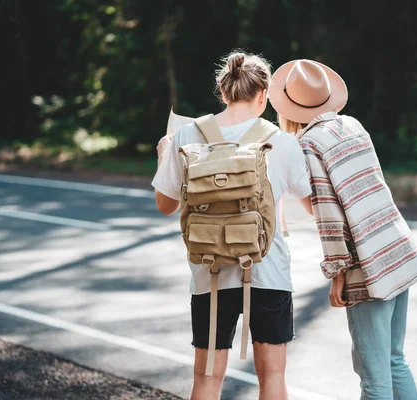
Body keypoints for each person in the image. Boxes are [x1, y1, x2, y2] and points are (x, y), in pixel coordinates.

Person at [152, 51, 312, 400]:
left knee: (207, 379)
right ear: (264, 94)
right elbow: (311, 204)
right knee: (272, 377)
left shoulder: (186, 136)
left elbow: (166, 205)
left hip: (209, 271)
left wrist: (165, 154)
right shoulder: (281, 141)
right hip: (267, 269)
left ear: (223, 92)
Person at [269, 59, 417, 400]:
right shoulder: (353, 125)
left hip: (366, 262)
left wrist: (337, 273)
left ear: (288, 106)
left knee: (374, 378)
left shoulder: (308, 145)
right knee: (394, 360)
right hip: (396, 245)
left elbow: (329, 215)